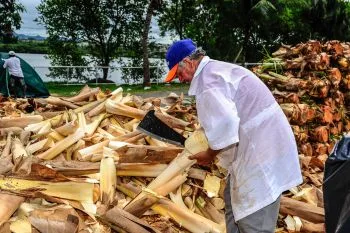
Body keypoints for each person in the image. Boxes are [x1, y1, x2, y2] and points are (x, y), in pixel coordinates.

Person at [164, 39, 302, 233]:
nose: (180, 79)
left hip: (261, 155)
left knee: (253, 219)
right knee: (232, 201)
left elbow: (226, 124)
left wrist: (210, 154)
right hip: (262, 147)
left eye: (179, 73)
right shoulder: (215, 72)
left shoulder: (208, 82)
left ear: (189, 62)